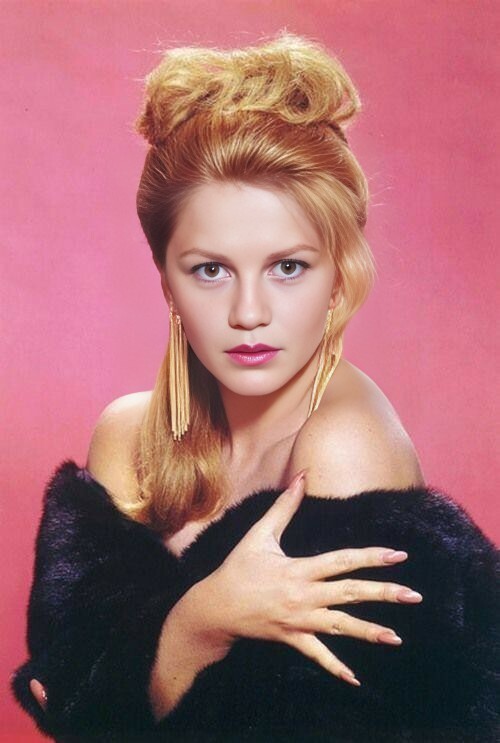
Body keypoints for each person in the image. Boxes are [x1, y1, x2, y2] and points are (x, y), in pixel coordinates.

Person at [11, 31, 499, 742]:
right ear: (167, 281)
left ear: (339, 275)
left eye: (287, 267)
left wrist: (129, 682)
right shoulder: (127, 434)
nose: (248, 312)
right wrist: (199, 622)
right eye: (210, 269)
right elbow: (65, 683)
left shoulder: (344, 444)